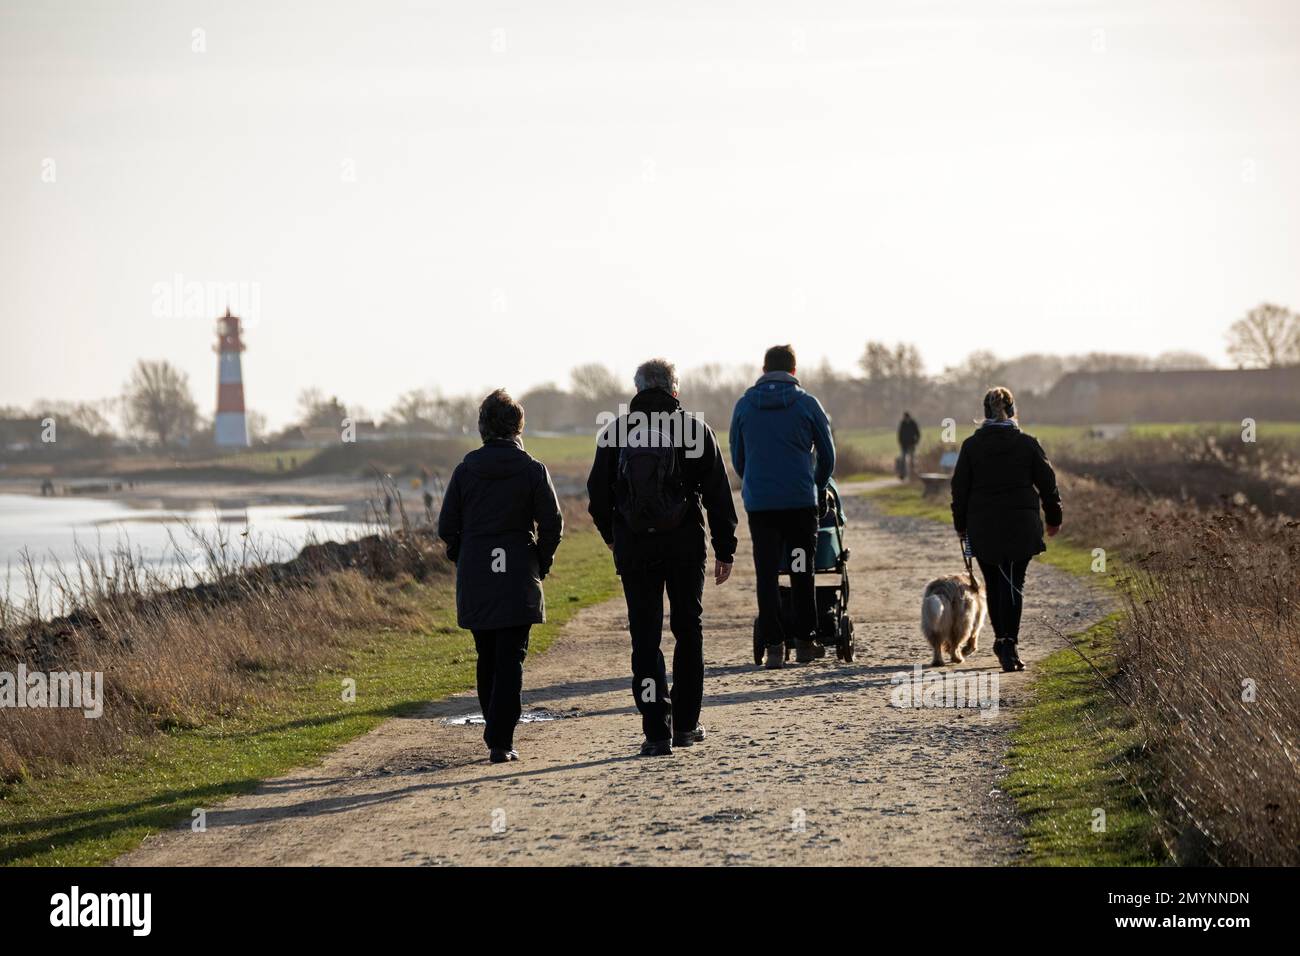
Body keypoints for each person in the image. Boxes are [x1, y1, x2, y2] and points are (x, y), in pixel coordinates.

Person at [587, 358, 738, 757]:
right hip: (685, 544)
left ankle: (656, 730)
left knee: (645, 635)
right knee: (689, 630)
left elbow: (597, 497)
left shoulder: (615, 432)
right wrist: (725, 548)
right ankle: (686, 726)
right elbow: (719, 495)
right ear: (675, 389)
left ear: (637, 389)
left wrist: (612, 537)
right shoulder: (694, 429)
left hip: (635, 547)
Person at [438, 389, 563, 763]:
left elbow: (447, 526)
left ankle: (496, 731)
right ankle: (501, 740)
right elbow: (553, 524)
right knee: (512, 657)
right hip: (517, 573)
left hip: (478, 573)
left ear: (482, 427)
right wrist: (540, 561)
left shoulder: (465, 471)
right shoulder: (532, 469)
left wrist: (462, 555)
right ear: (517, 427)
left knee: (486, 654)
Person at [729, 344, 836, 669]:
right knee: (802, 570)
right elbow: (828, 456)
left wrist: (755, 482)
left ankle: (774, 646)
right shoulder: (806, 403)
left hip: (761, 507)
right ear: (794, 371)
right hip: (799, 505)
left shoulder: (745, 405)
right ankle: (805, 641)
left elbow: (737, 457)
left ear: (764, 370)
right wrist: (814, 485)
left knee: (767, 573)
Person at [949, 386, 1062, 672]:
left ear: (985, 413)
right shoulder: (1027, 443)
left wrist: (960, 525)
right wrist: (1054, 518)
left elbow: (959, 489)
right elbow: (1048, 484)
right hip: (1020, 525)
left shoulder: (971, 447)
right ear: (1012, 411)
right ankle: (1008, 644)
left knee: (996, 583)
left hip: (983, 526)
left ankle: (1003, 640)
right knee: (1014, 582)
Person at [897, 411, 921, 479]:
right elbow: (900, 434)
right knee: (903, 460)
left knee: (912, 460)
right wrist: (900, 443)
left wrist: (916, 442)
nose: (905, 419)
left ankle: (913, 474)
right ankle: (903, 474)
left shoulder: (913, 423)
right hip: (904, 445)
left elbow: (918, 434)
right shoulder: (902, 423)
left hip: (912, 444)